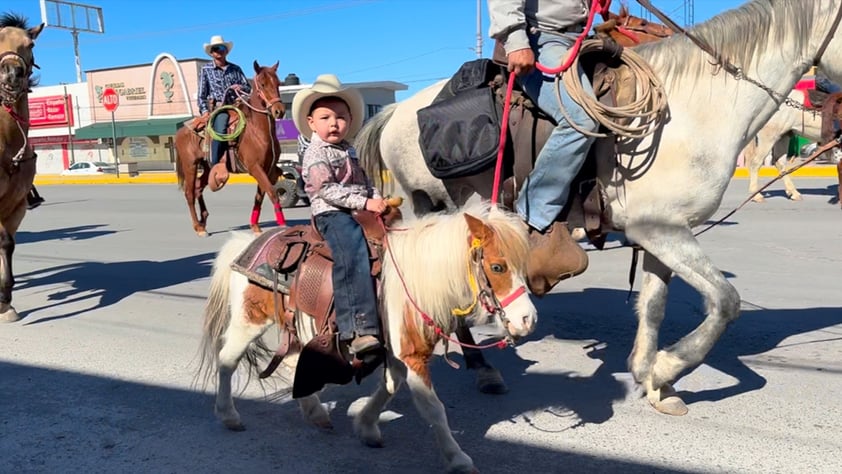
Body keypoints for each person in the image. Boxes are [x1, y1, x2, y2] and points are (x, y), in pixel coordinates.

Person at [488, 0, 595, 291]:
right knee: (580, 118)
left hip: (584, 36)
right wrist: (515, 39)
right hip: (542, 38)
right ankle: (529, 216)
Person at [292, 74, 385, 356]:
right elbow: (326, 189)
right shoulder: (315, 152)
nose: (334, 123)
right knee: (352, 250)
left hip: (359, 207)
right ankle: (357, 327)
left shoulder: (350, 149)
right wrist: (365, 203)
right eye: (325, 117)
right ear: (311, 122)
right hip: (333, 213)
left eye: (341, 117)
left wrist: (377, 197)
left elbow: (368, 179)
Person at [197, 35, 251, 168]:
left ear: (226, 51)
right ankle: (214, 164)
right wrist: (204, 111)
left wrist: (240, 87)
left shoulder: (235, 69)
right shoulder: (206, 70)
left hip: (238, 105)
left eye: (221, 48)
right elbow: (201, 95)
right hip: (219, 108)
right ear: (211, 53)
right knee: (220, 128)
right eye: (215, 49)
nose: (219, 51)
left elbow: (248, 87)